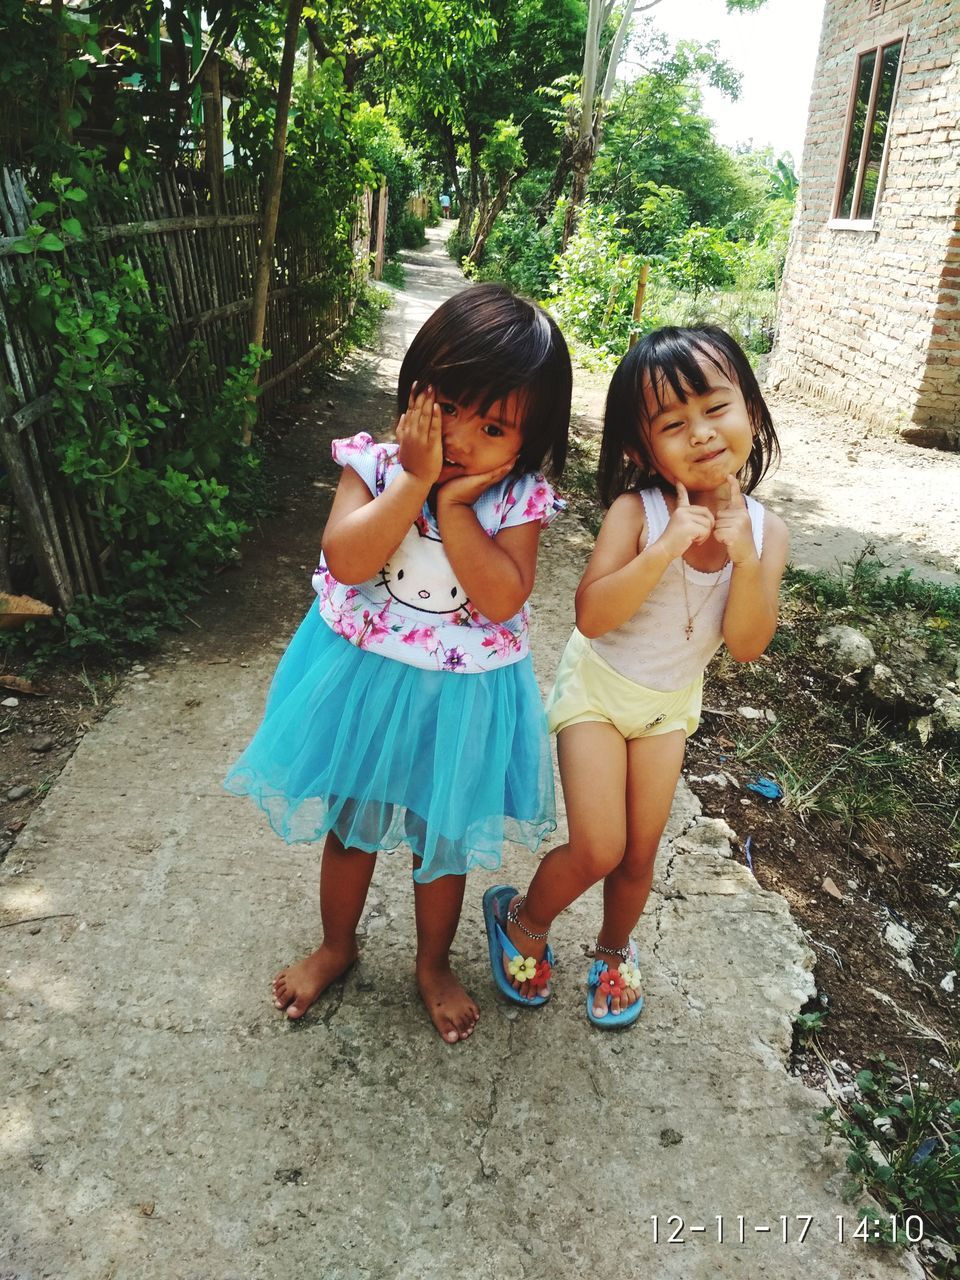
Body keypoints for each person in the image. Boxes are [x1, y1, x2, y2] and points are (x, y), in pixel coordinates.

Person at [225, 284, 572, 1043]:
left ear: (528, 441)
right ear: (414, 392)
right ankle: (337, 946)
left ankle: (433, 964)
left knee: (441, 840)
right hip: (366, 686)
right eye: (446, 408)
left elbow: (504, 596)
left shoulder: (516, 502)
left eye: (492, 426)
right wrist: (414, 483)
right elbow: (347, 561)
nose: (460, 437)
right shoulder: (375, 467)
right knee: (350, 827)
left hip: (462, 700)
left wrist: (451, 511)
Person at [483, 324, 788, 1028]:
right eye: (674, 424)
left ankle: (614, 949)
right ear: (638, 447)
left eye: (717, 408)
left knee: (639, 855)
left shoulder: (769, 534)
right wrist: (666, 548)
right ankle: (523, 921)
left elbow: (745, 643)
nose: (703, 433)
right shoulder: (638, 511)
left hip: (666, 708)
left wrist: (744, 557)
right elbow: (591, 614)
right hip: (597, 692)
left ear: (751, 410)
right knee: (599, 845)